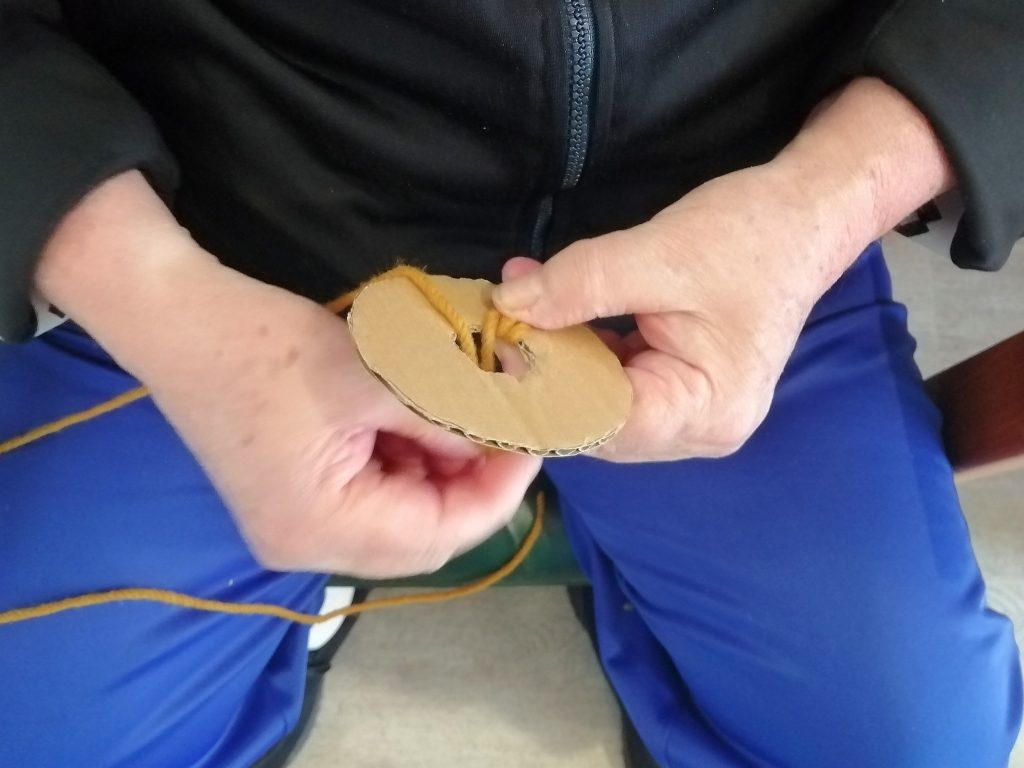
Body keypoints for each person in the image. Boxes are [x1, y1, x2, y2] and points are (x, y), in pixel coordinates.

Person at [1, 2, 1022, 766]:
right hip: (223, 254)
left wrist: (826, 199)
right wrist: (149, 288)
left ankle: (647, 587)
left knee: (909, 744)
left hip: (740, 236)